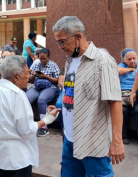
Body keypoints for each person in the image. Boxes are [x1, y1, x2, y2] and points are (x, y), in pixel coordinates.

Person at [52, 16, 125, 176]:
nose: (60, 47)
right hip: (69, 139)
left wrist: (117, 141)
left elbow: (115, 102)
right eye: (58, 42)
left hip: (93, 142)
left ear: (78, 36)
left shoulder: (103, 62)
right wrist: (64, 106)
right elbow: (73, 91)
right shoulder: (70, 60)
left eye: (62, 41)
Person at [0, 56, 60, 177]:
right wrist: (46, 120)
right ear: (16, 76)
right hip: (17, 160)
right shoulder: (18, 95)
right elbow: (27, 130)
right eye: (27, 74)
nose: (29, 78)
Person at [26, 48, 60, 137]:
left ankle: (43, 127)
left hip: (51, 87)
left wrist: (45, 77)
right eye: (41, 58)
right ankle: (26, 123)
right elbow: (31, 81)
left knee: (42, 99)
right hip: (37, 87)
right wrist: (33, 76)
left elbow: (57, 81)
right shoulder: (36, 64)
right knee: (26, 98)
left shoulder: (54, 65)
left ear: (49, 57)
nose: (42, 60)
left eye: (44, 58)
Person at [117, 48, 138, 144]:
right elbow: (117, 71)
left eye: (134, 58)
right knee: (122, 110)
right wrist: (131, 69)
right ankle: (123, 136)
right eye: (129, 59)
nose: (132, 61)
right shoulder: (120, 66)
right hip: (123, 93)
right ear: (124, 60)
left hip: (136, 92)